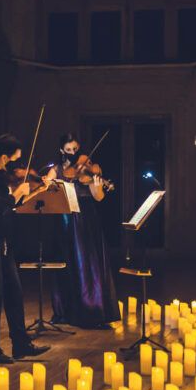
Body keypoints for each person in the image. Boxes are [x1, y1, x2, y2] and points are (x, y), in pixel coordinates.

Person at [0, 134, 50, 363]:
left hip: (3, 240)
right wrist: (16, 193)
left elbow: (11, 205)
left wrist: (34, 192)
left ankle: (21, 344)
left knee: (14, 292)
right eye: (13, 160)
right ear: (4, 156)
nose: (14, 165)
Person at [43, 132, 120, 329]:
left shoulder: (90, 167)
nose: (73, 153)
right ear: (62, 151)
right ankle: (64, 310)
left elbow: (99, 197)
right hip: (64, 219)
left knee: (88, 264)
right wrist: (47, 184)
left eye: (75, 149)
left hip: (86, 219)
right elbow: (46, 190)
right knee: (65, 264)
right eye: (68, 150)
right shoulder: (56, 169)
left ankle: (93, 310)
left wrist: (97, 185)